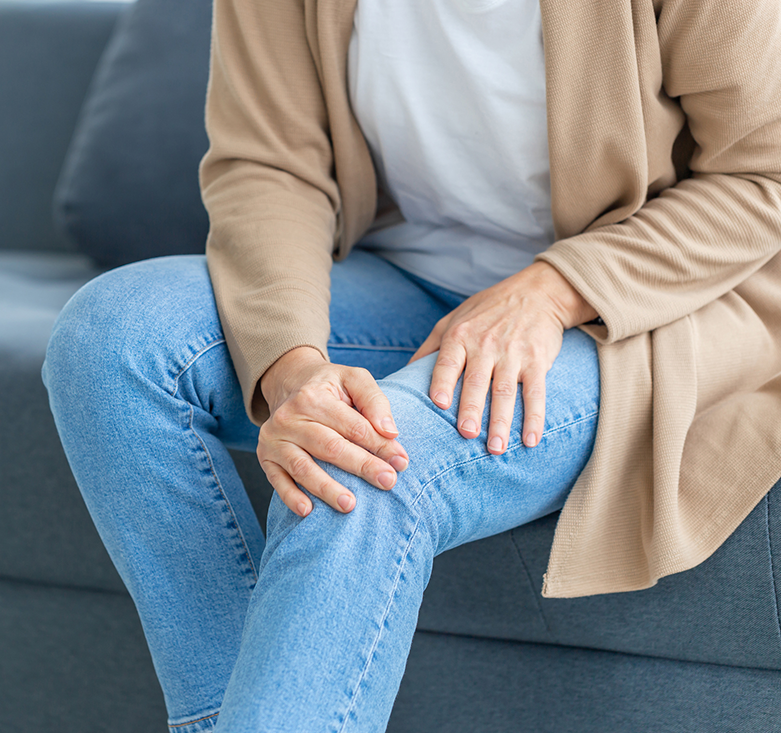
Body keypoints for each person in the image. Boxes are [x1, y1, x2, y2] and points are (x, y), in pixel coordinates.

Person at [43, 0, 781, 731]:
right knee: (112, 342)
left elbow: (763, 177)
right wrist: (295, 372)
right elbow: (268, 163)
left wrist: (553, 290)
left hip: (635, 307)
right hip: (404, 282)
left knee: (357, 469)